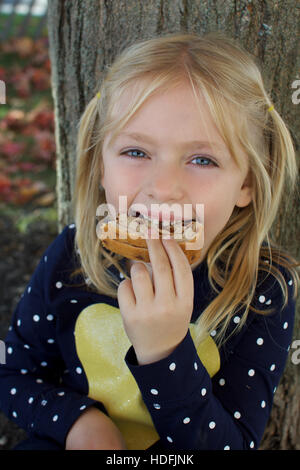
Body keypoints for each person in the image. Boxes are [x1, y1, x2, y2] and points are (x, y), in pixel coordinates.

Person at [0, 31, 299, 451]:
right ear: (100, 165)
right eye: (137, 152)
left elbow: (233, 443)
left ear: (246, 183)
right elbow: (12, 375)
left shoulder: (262, 289)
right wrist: (78, 423)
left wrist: (165, 352)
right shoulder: (74, 255)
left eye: (202, 159)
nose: (163, 187)